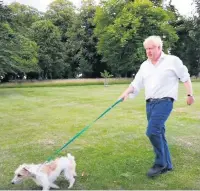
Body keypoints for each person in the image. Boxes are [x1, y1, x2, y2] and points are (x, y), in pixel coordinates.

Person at [119, 35, 194, 177]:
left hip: (165, 102)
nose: (148, 51)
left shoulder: (172, 61)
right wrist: (125, 93)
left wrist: (190, 95)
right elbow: (136, 83)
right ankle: (168, 165)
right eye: (146, 49)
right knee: (159, 133)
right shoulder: (145, 65)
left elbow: (185, 76)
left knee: (152, 131)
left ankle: (160, 164)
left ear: (159, 47)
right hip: (150, 104)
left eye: (151, 48)